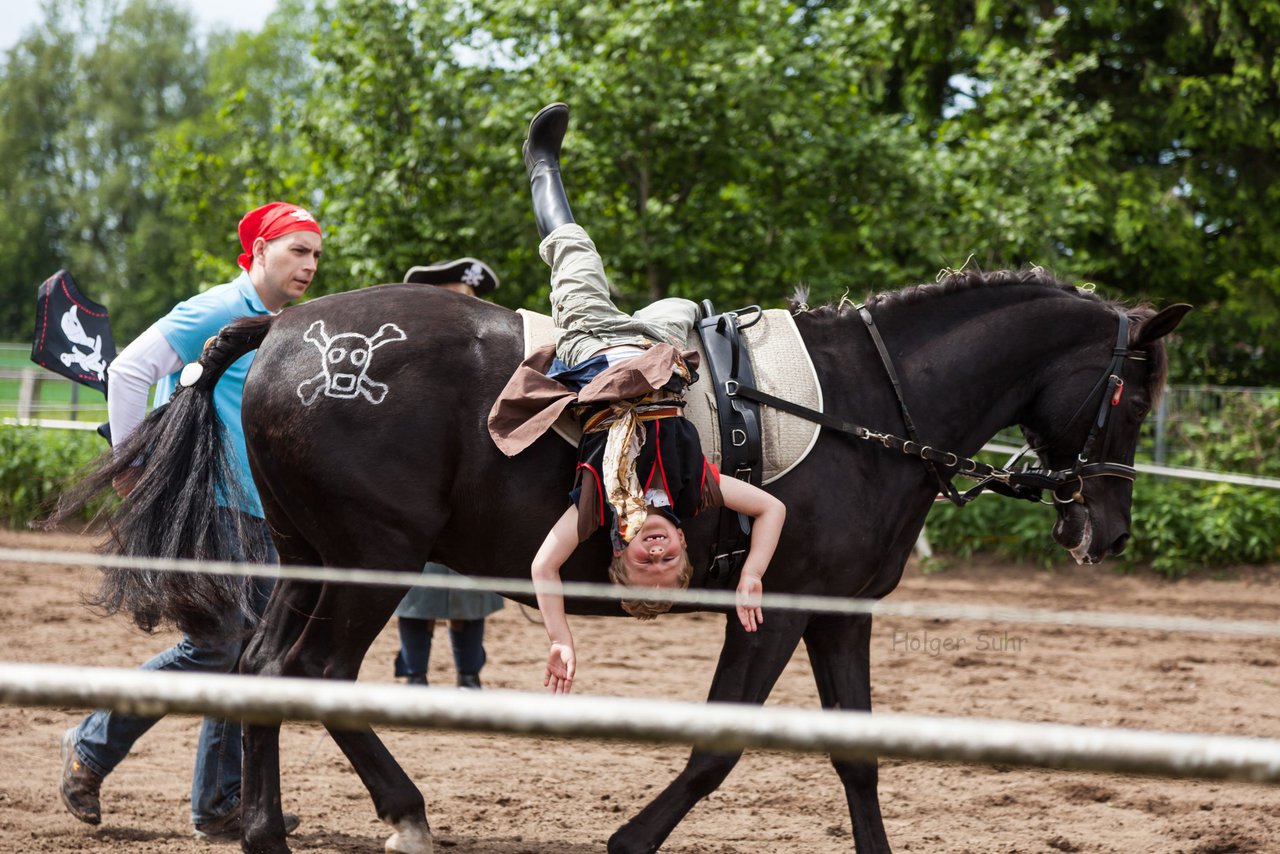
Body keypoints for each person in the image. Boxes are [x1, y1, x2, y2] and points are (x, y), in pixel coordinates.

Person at [490, 103, 786, 695]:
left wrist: (560, 636)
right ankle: (674, 311)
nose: (656, 555)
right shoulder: (695, 489)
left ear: (620, 552)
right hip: (662, 348)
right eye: (667, 561)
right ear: (682, 546)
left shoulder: (596, 505)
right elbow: (771, 509)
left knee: (574, 250)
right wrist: (752, 573)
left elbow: (544, 566)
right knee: (683, 306)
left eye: (642, 564)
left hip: (594, 342)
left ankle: (541, 164)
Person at [58, 202, 321, 840]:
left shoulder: (285, 323)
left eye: (316, 254)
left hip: (264, 517)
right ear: (258, 251)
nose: (310, 265)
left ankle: (220, 803)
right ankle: (91, 746)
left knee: (246, 658)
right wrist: (129, 467)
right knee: (215, 646)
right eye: (297, 251)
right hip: (212, 508)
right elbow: (128, 370)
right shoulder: (214, 309)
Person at [393, 258, 505, 689]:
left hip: (471, 497)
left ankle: (469, 678)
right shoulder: (407, 359)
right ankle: (414, 676)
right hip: (415, 496)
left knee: (469, 594)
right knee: (413, 592)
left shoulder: (492, 356)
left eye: (473, 303)